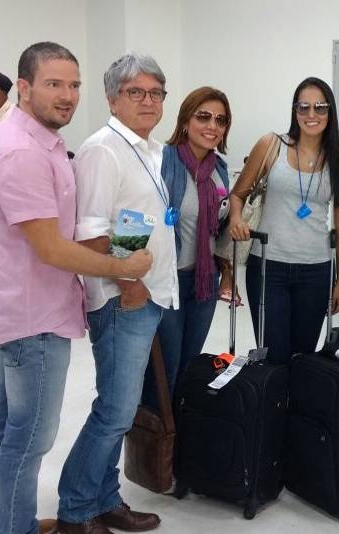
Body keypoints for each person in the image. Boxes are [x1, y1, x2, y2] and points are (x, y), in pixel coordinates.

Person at [0, 42, 151, 534]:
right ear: (24, 87)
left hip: (23, 308)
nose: (68, 95)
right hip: (34, 318)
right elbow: (50, 248)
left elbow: (57, 230)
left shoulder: (38, 141)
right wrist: (123, 265)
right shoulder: (20, 151)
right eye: (54, 84)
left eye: (74, 84)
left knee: (6, 426)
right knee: (28, 438)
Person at [57, 53, 178, 534]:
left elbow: (129, 222)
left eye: (155, 93)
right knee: (114, 412)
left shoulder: (148, 149)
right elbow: (89, 234)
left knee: (119, 411)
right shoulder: (102, 150)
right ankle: (76, 509)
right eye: (136, 92)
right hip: (120, 299)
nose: (148, 101)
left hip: (146, 295)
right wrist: (129, 284)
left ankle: (105, 498)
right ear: (112, 98)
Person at [228, 77, 339, 363]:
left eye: (320, 108)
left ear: (330, 112)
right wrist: (236, 218)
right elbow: (237, 195)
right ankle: (270, 407)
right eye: (304, 107)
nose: (311, 115)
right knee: (273, 355)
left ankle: (296, 408)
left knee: (303, 357)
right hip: (268, 269)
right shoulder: (271, 145)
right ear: (295, 111)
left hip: (316, 271)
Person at [140, 86, 232, 407]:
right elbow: (136, 215)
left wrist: (228, 274)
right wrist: (125, 274)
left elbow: (221, 230)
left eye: (220, 120)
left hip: (203, 283)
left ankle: (178, 439)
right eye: (203, 116)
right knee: (163, 370)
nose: (212, 126)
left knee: (189, 366)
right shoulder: (160, 161)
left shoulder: (220, 171)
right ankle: (153, 444)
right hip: (166, 282)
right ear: (185, 120)